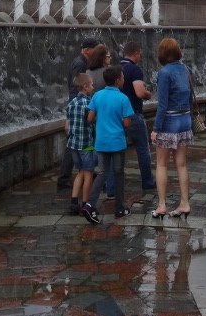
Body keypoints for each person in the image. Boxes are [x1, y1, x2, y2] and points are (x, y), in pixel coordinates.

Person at [82, 65, 134, 221]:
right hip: (117, 142)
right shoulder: (123, 98)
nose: (124, 79)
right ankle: (119, 209)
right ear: (118, 81)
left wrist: (102, 122)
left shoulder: (97, 96)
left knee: (102, 173)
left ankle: (89, 204)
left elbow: (90, 118)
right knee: (118, 173)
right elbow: (126, 123)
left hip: (101, 141)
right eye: (123, 77)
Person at [151, 37, 193, 219]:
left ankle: (161, 205)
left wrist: (155, 128)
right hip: (185, 120)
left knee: (161, 163)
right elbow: (190, 97)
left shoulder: (164, 73)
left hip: (169, 121)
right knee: (181, 164)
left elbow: (162, 105)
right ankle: (185, 203)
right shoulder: (186, 69)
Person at [105, 41, 155, 196]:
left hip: (117, 116)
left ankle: (111, 188)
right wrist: (149, 94)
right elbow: (139, 92)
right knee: (143, 149)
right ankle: (147, 182)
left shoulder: (116, 68)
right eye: (139, 54)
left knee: (117, 151)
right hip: (133, 114)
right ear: (136, 53)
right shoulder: (135, 69)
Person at [57, 36, 99, 189]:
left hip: (78, 104)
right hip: (78, 105)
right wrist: (80, 105)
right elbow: (75, 85)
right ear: (88, 50)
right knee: (73, 143)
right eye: (95, 50)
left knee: (77, 142)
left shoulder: (82, 62)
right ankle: (64, 178)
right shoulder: (80, 63)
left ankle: (86, 171)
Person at [64, 73, 97, 219]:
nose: (93, 87)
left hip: (73, 144)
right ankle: (85, 204)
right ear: (85, 86)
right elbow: (91, 120)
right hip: (86, 145)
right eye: (91, 85)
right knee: (88, 174)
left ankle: (73, 202)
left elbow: (67, 125)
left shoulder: (71, 103)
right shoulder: (88, 103)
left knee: (79, 172)